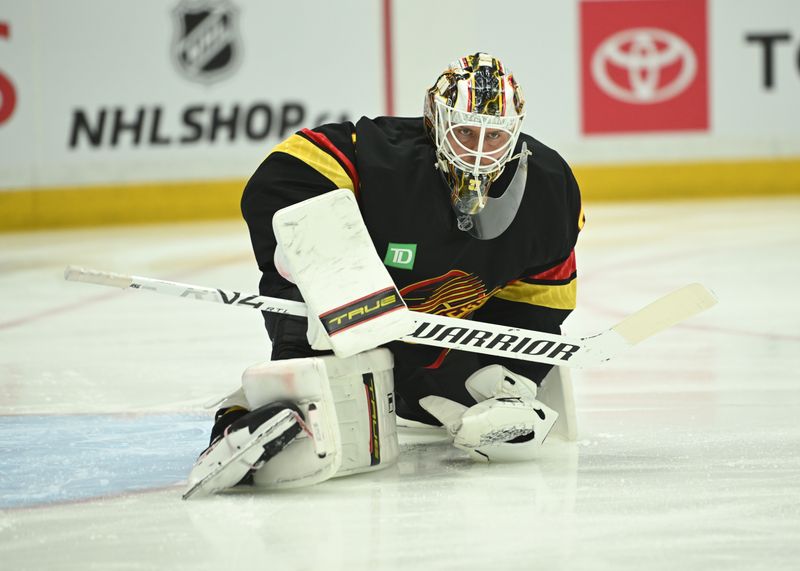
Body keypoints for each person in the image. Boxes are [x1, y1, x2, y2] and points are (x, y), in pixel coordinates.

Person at [184, 52, 584, 497]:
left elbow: (540, 301)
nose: (477, 150)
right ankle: (248, 415)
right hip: (341, 326)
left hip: (434, 346)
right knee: (313, 339)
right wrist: (313, 245)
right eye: (466, 131)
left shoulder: (548, 186)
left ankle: (433, 401)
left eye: (494, 137)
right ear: (435, 121)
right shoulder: (386, 159)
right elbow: (289, 167)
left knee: (487, 402)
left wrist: (518, 373)